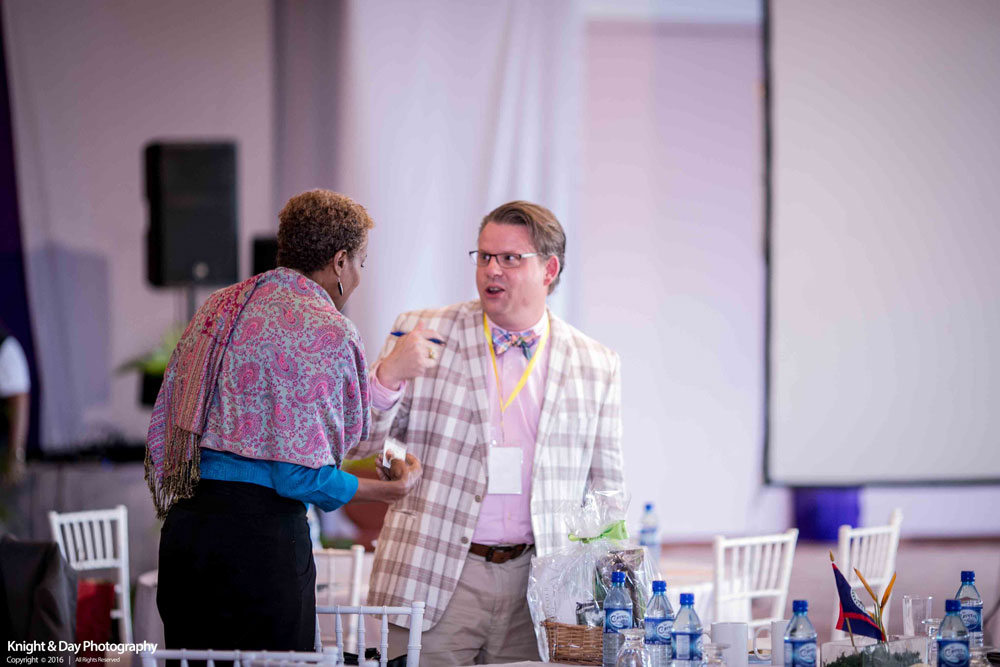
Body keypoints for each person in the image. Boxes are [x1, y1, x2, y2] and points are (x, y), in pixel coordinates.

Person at [349, 200, 626, 664]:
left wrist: (612, 587)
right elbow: (359, 444)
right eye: (484, 256)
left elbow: (607, 490)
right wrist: (387, 377)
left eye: (510, 258)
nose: (491, 269)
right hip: (435, 573)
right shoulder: (422, 332)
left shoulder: (596, 363)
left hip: (540, 588)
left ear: (549, 269)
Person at [146, 190, 421, 653]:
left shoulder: (219, 306)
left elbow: (172, 422)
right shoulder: (327, 330)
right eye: (361, 263)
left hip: (187, 534)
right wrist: (387, 491)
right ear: (339, 261)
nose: (358, 276)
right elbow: (300, 476)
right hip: (259, 546)